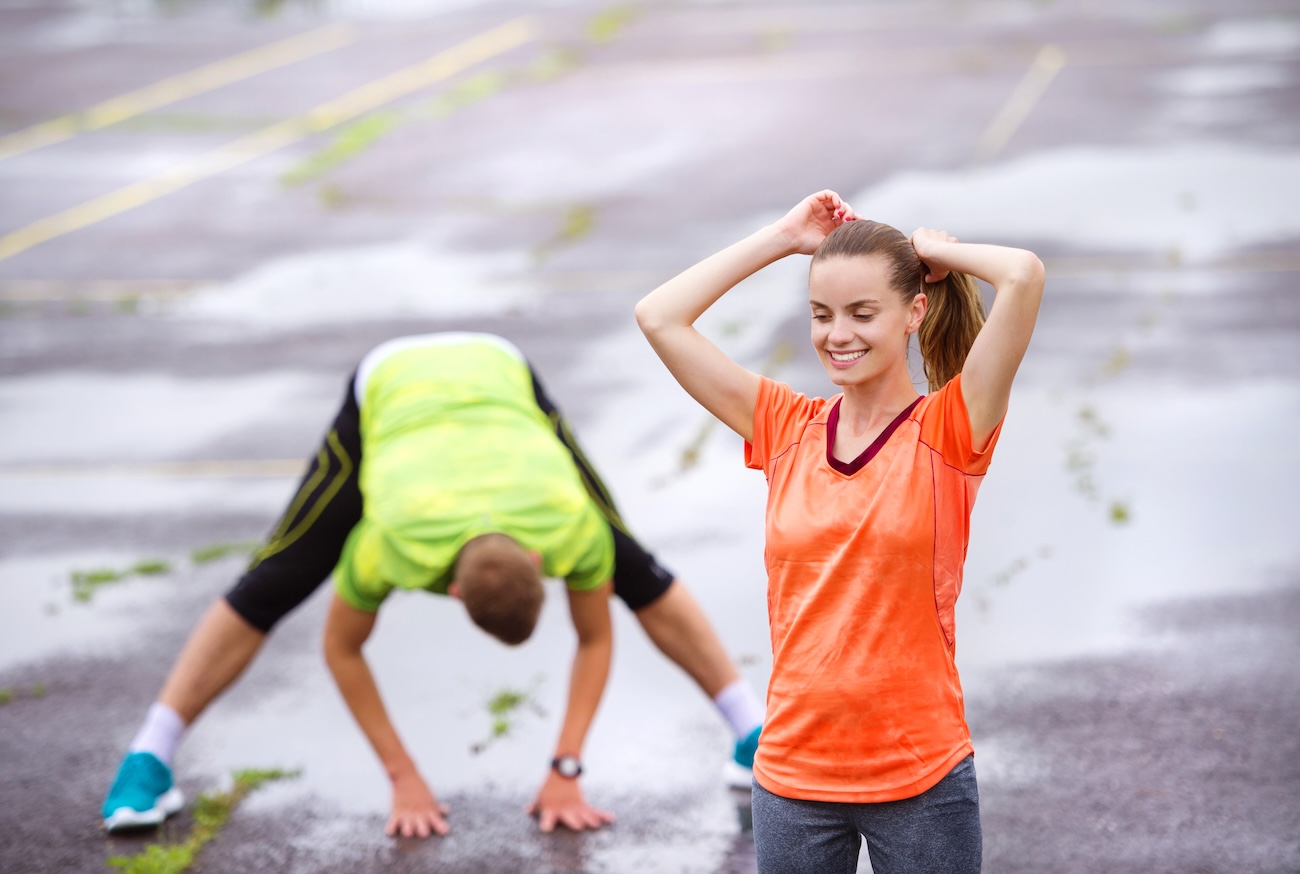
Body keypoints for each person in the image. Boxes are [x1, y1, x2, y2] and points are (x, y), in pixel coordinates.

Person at [101, 332, 764, 838]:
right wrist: (402, 775)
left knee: (635, 568)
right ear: (530, 564)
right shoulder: (388, 541)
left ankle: (748, 730)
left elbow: (596, 637)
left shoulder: (570, 522)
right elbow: (341, 648)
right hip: (388, 384)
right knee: (276, 578)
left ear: (540, 559)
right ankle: (147, 759)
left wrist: (566, 767)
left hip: (500, 371)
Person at [635, 190, 1045, 873]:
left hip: (919, 777)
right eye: (822, 315)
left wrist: (932, 252)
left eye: (862, 313)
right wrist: (783, 237)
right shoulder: (783, 426)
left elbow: (1023, 275)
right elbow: (659, 317)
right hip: (793, 778)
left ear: (914, 312)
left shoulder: (950, 431)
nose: (838, 334)